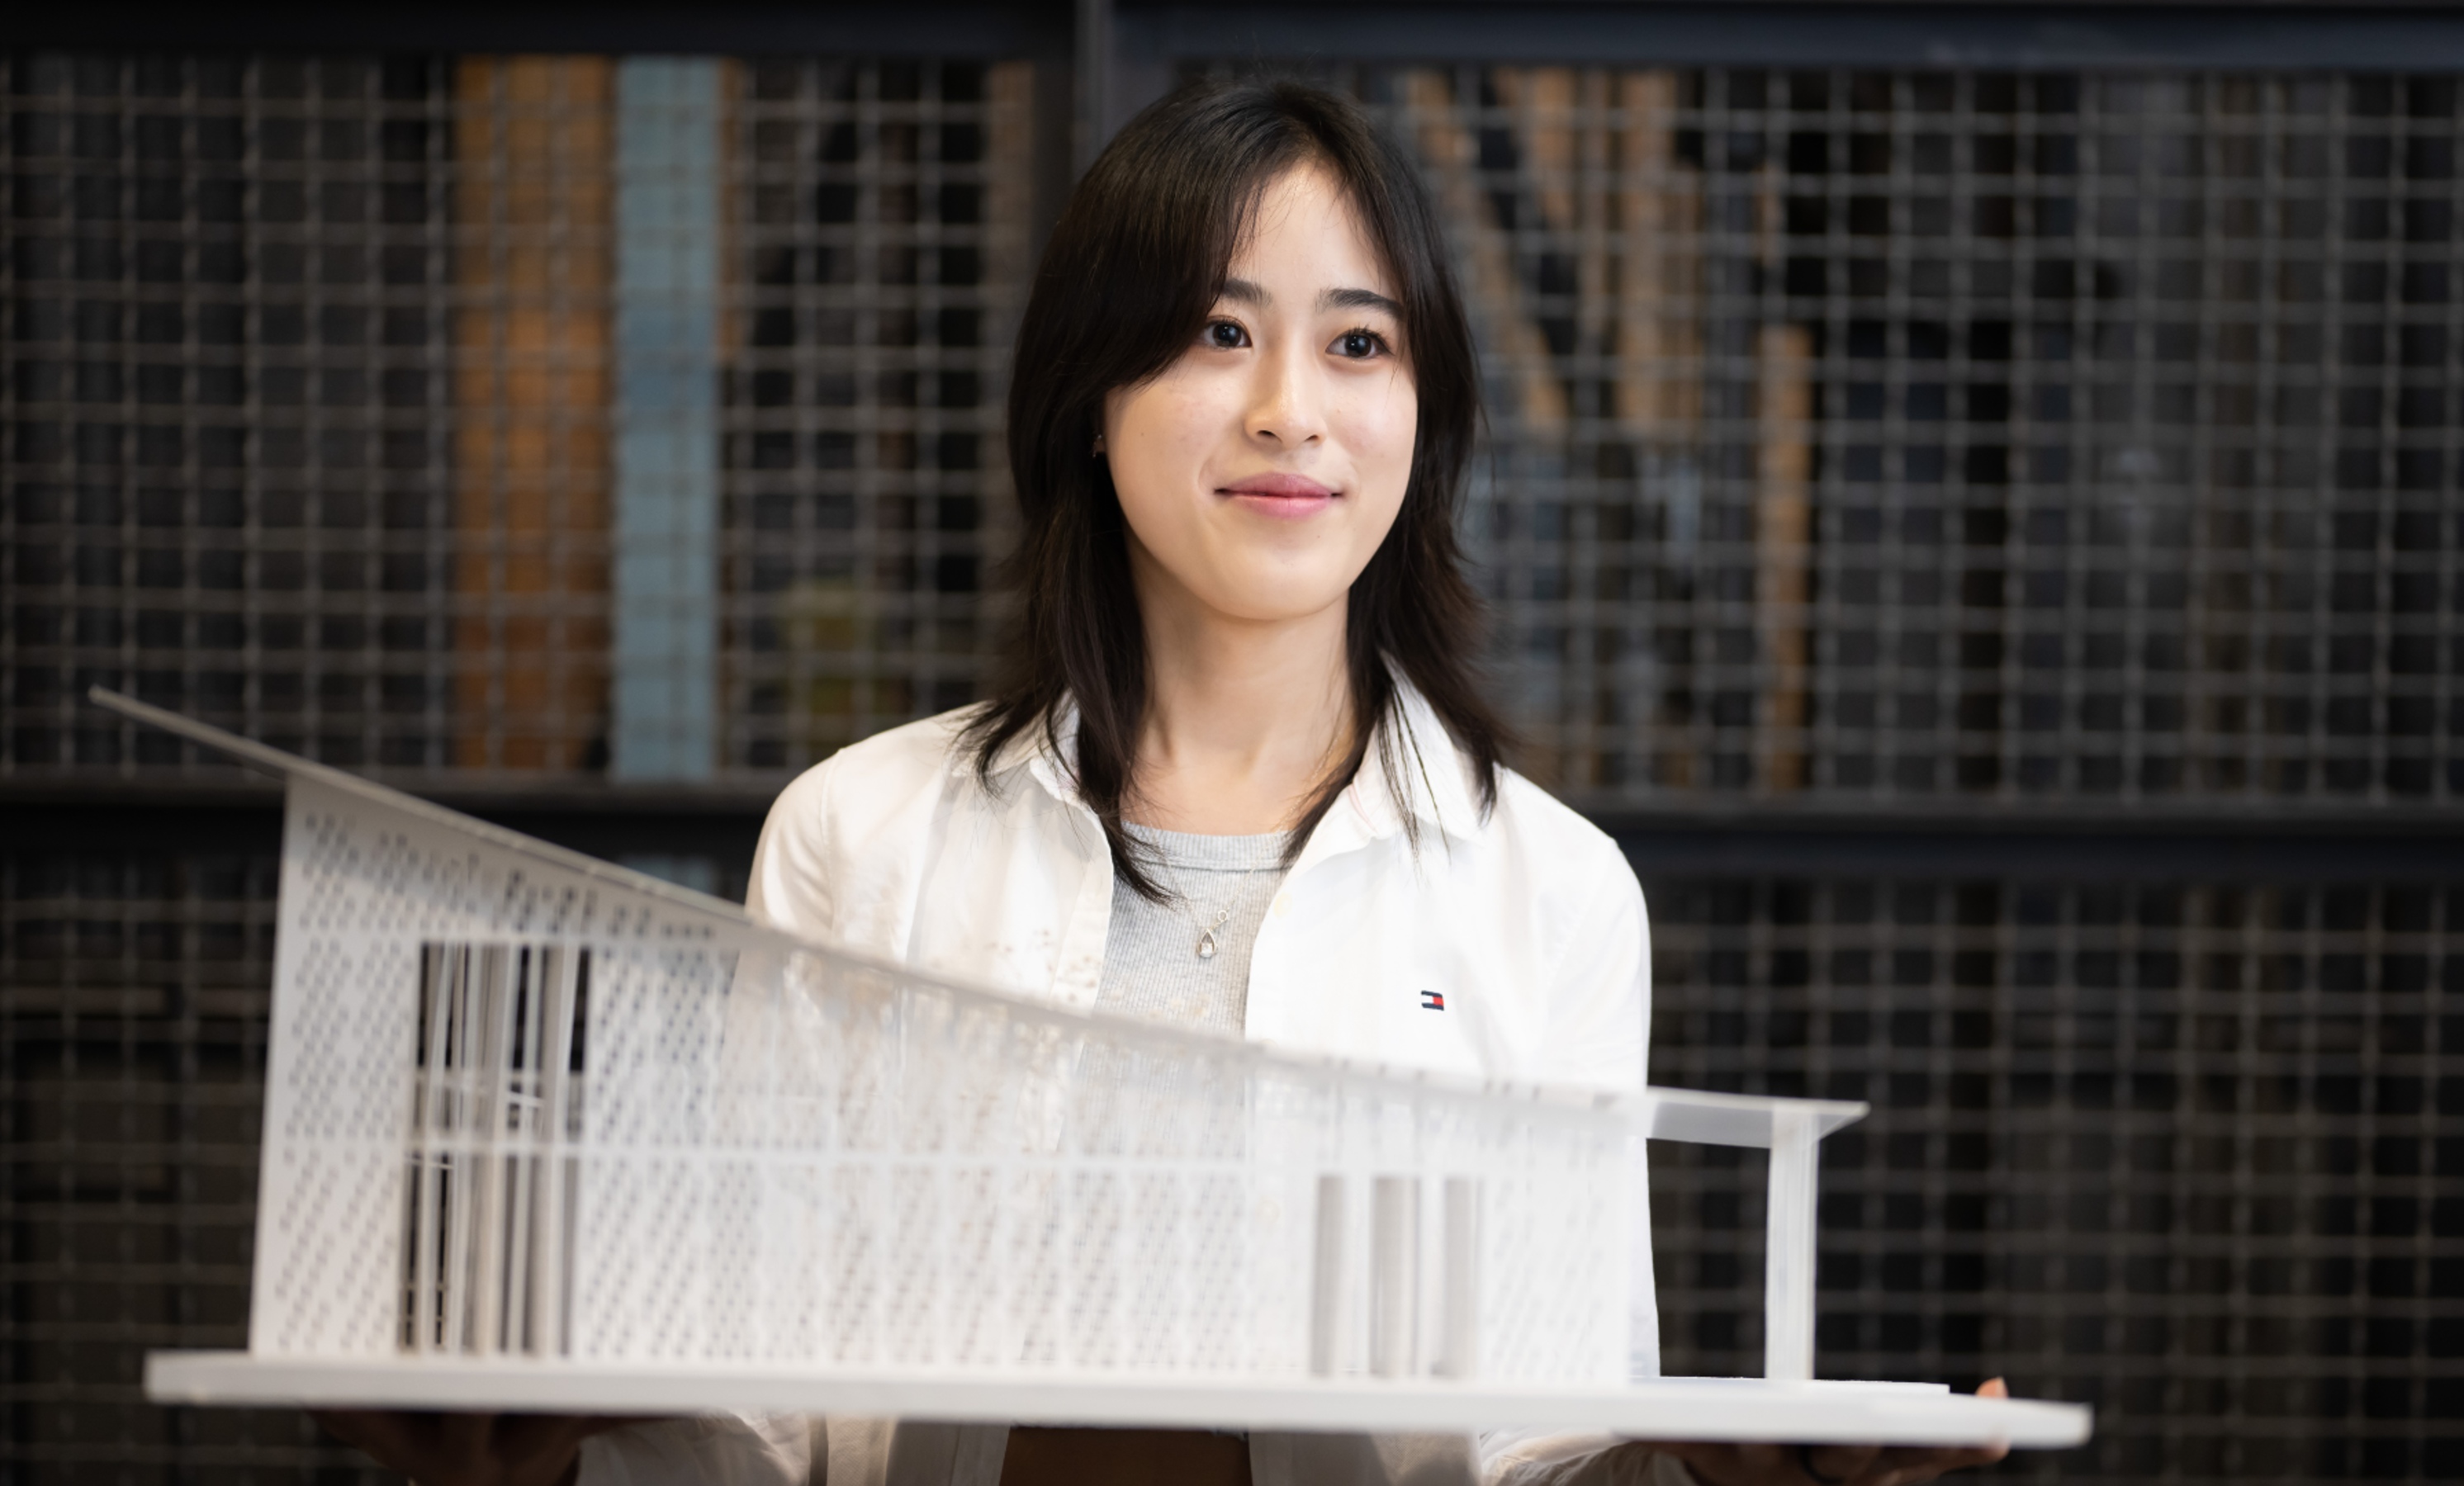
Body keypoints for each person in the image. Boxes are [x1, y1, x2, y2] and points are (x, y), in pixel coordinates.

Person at [315, 78, 2013, 1486]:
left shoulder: (1548, 887)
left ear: (1425, 408)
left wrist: (1725, 1470)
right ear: (1092, 392)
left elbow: (1543, 1436)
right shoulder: (861, 834)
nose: (1292, 412)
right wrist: (540, 1449)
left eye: (1359, 345)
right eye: (1217, 329)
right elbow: (773, 1428)